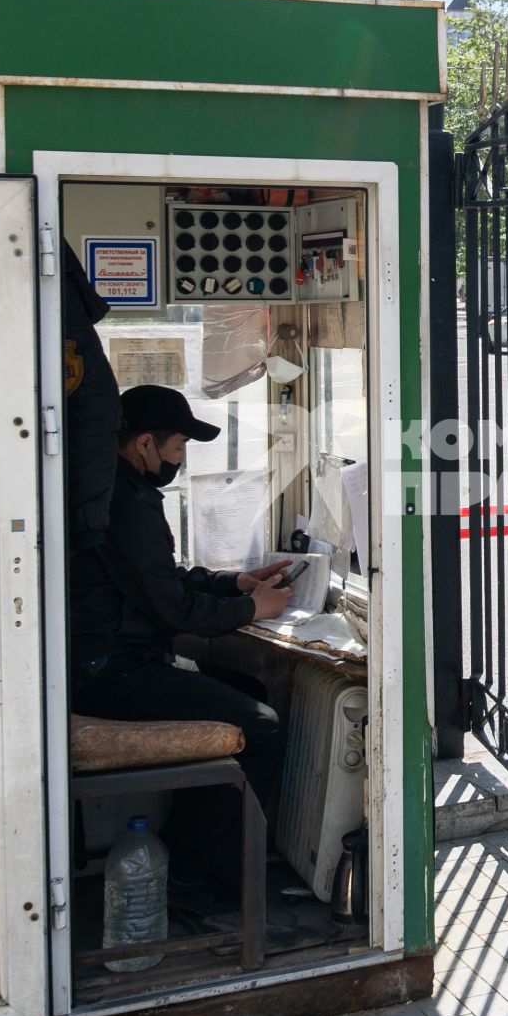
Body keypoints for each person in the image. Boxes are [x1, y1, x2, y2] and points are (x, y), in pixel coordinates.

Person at [69, 384, 299, 901]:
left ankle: (188, 856)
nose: (182, 456)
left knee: (249, 695)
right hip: (110, 673)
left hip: (102, 662)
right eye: (179, 444)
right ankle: (200, 875)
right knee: (260, 727)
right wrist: (253, 608)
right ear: (146, 443)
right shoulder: (125, 504)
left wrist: (232, 584)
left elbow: (158, 579)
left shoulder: (109, 489)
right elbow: (173, 609)